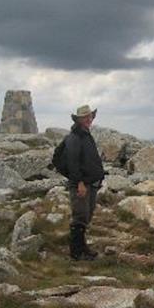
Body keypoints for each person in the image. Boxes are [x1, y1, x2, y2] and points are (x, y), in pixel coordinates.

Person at [65, 104, 105, 261]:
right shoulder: (75, 137)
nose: (89, 119)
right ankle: (76, 252)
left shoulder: (85, 134)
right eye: (85, 117)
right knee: (80, 217)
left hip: (91, 183)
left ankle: (83, 249)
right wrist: (79, 183)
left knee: (86, 216)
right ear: (79, 119)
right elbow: (72, 163)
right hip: (81, 184)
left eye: (90, 117)